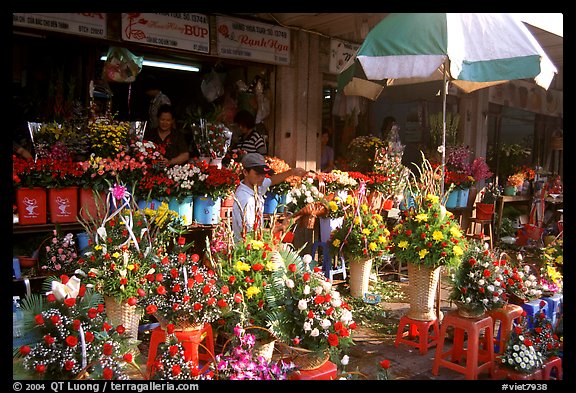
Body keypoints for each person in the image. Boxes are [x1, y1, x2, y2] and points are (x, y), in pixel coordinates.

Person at [232, 153, 307, 242]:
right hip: (245, 249)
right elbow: (252, 233)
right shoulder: (246, 199)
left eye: (263, 174)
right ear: (245, 172)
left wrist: (292, 172)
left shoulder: (255, 186)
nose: (262, 178)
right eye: (258, 174)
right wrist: (281, 227)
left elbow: (271, 180)